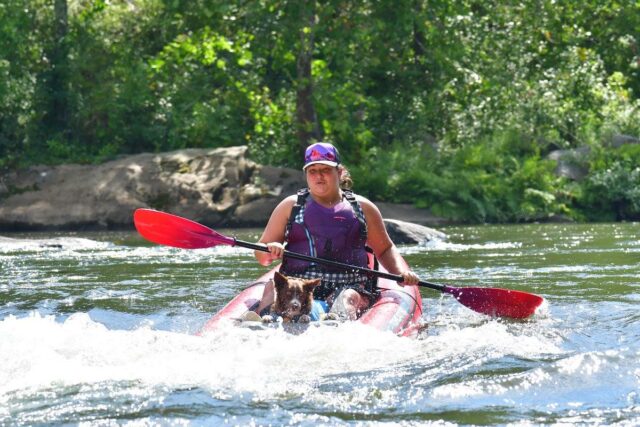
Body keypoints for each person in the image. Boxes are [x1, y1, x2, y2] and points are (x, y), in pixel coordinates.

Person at [253, 141, 419, 320]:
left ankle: (336, 326)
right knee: (272, 287)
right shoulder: (290, 206)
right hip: (298, 286)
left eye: (325, 170)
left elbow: (385, 249)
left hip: (349, 285)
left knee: (347, 298)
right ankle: (264, 320)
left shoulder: (363, 208)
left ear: (339, 172)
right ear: (306, 174)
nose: (319, 176)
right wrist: (271, 248)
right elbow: (262, 257)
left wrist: (400, 273)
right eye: (313, 171)